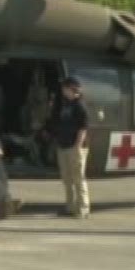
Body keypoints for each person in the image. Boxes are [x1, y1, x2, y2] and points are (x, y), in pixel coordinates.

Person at [47, 76, 91, 217]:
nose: (63, 90)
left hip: (75, 146)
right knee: (67, 179)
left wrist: (77, 146)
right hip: (63, 145)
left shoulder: (80, 105)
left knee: (78, 178)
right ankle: (70, 207)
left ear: (71, 88)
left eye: (65, 88)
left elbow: (83, 128)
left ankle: (83, 208)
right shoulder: (65, 104)